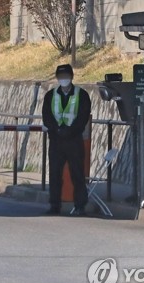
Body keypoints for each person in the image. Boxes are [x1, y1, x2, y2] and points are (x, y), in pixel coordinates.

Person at [42, 64, 91, 216]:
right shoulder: (50, 95)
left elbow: (83, 116)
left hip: (74, 140)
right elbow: (47, 116)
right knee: (55, 174)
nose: (64, 79)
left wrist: (71, 131)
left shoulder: (81, 94)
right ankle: (54, 205)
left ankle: (80, 206)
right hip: (56, 140)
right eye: (61, 77)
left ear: (72, 77)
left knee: (77, 173)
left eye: (66, 76)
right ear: (57, 78)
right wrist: (56, 130)